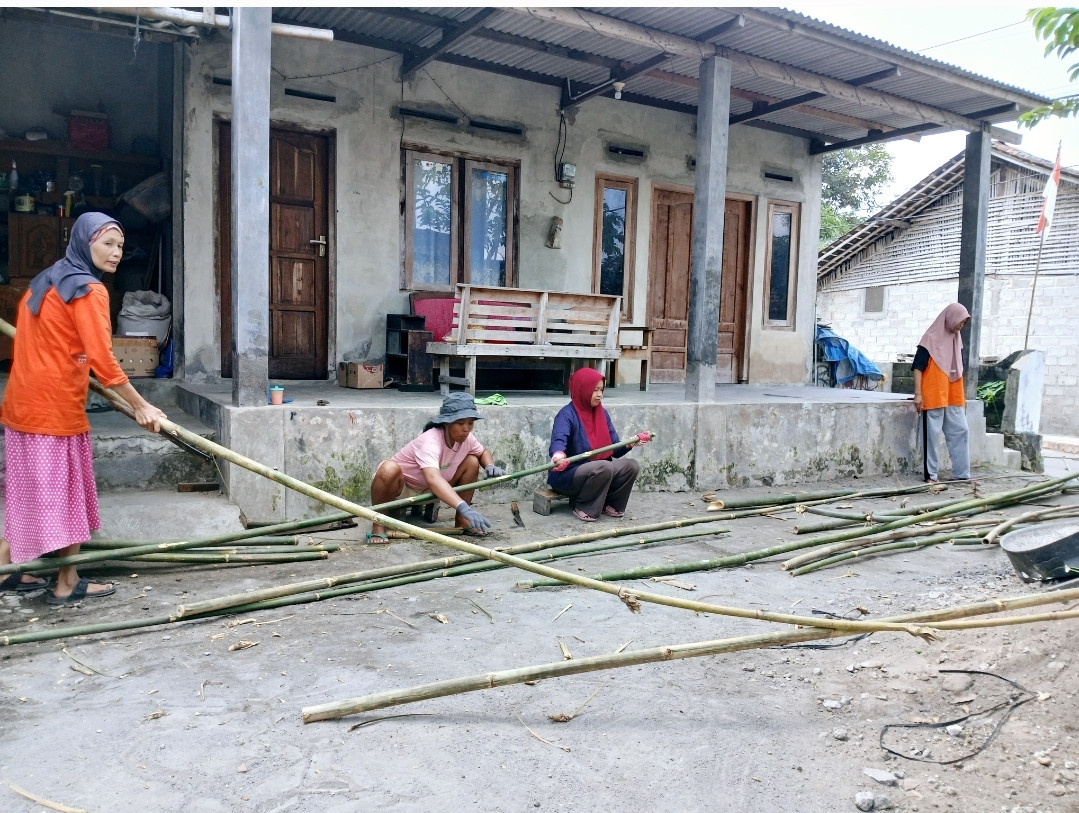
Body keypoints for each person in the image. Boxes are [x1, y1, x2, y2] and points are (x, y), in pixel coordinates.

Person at [0, 212, 167, 605]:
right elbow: (104, 361)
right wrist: (142, 406)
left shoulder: (44, 280)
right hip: (55, 410)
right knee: (67, 496)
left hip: (20, 405)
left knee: (24, 492)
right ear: (83, 242)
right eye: (107, 243)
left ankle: (6, 568)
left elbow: (53, 343)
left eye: (120, 245)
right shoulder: (90, 290)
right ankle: (66, 581)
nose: (116, 253)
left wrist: (74, 359)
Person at [367, 391, 505, 541]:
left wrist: (489, 465)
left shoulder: (467, 438)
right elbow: (433, 479)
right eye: (460, 423)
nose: (466, 429)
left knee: (472, 461)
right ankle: (378, 524)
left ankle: (462, 520)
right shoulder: (430, 441)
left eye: (470, 423)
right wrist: (463, 506)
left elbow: (482, 452)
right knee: (388, 469)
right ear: (447, 423)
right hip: (404, 491)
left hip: (433, 491)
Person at [547, 367, 650, 522]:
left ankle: (611, 504)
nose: (600, 394)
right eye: (595, 390)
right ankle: (583, 506)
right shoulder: (566, 415)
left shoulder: (603, 413)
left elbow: (615, 448)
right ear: (582, 389)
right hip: (569, 474)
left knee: (631, 466)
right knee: (604, 466)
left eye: (601, 390)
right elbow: (558, 440)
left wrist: (631, 443)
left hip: (600, 470)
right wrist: (558, 455)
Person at [912, 302, 972, 484]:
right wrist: (918, 394)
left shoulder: (956, 340)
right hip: (933, 393)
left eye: (964, 322)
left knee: (961, 430)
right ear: (950, 318)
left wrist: (962, 395)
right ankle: (931, 475)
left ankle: (962, 473)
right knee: (931, 436)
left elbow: (959, 369)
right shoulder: (930, 339)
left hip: (954, 394)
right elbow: (918, 367)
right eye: (960, 321)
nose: (962, 325)